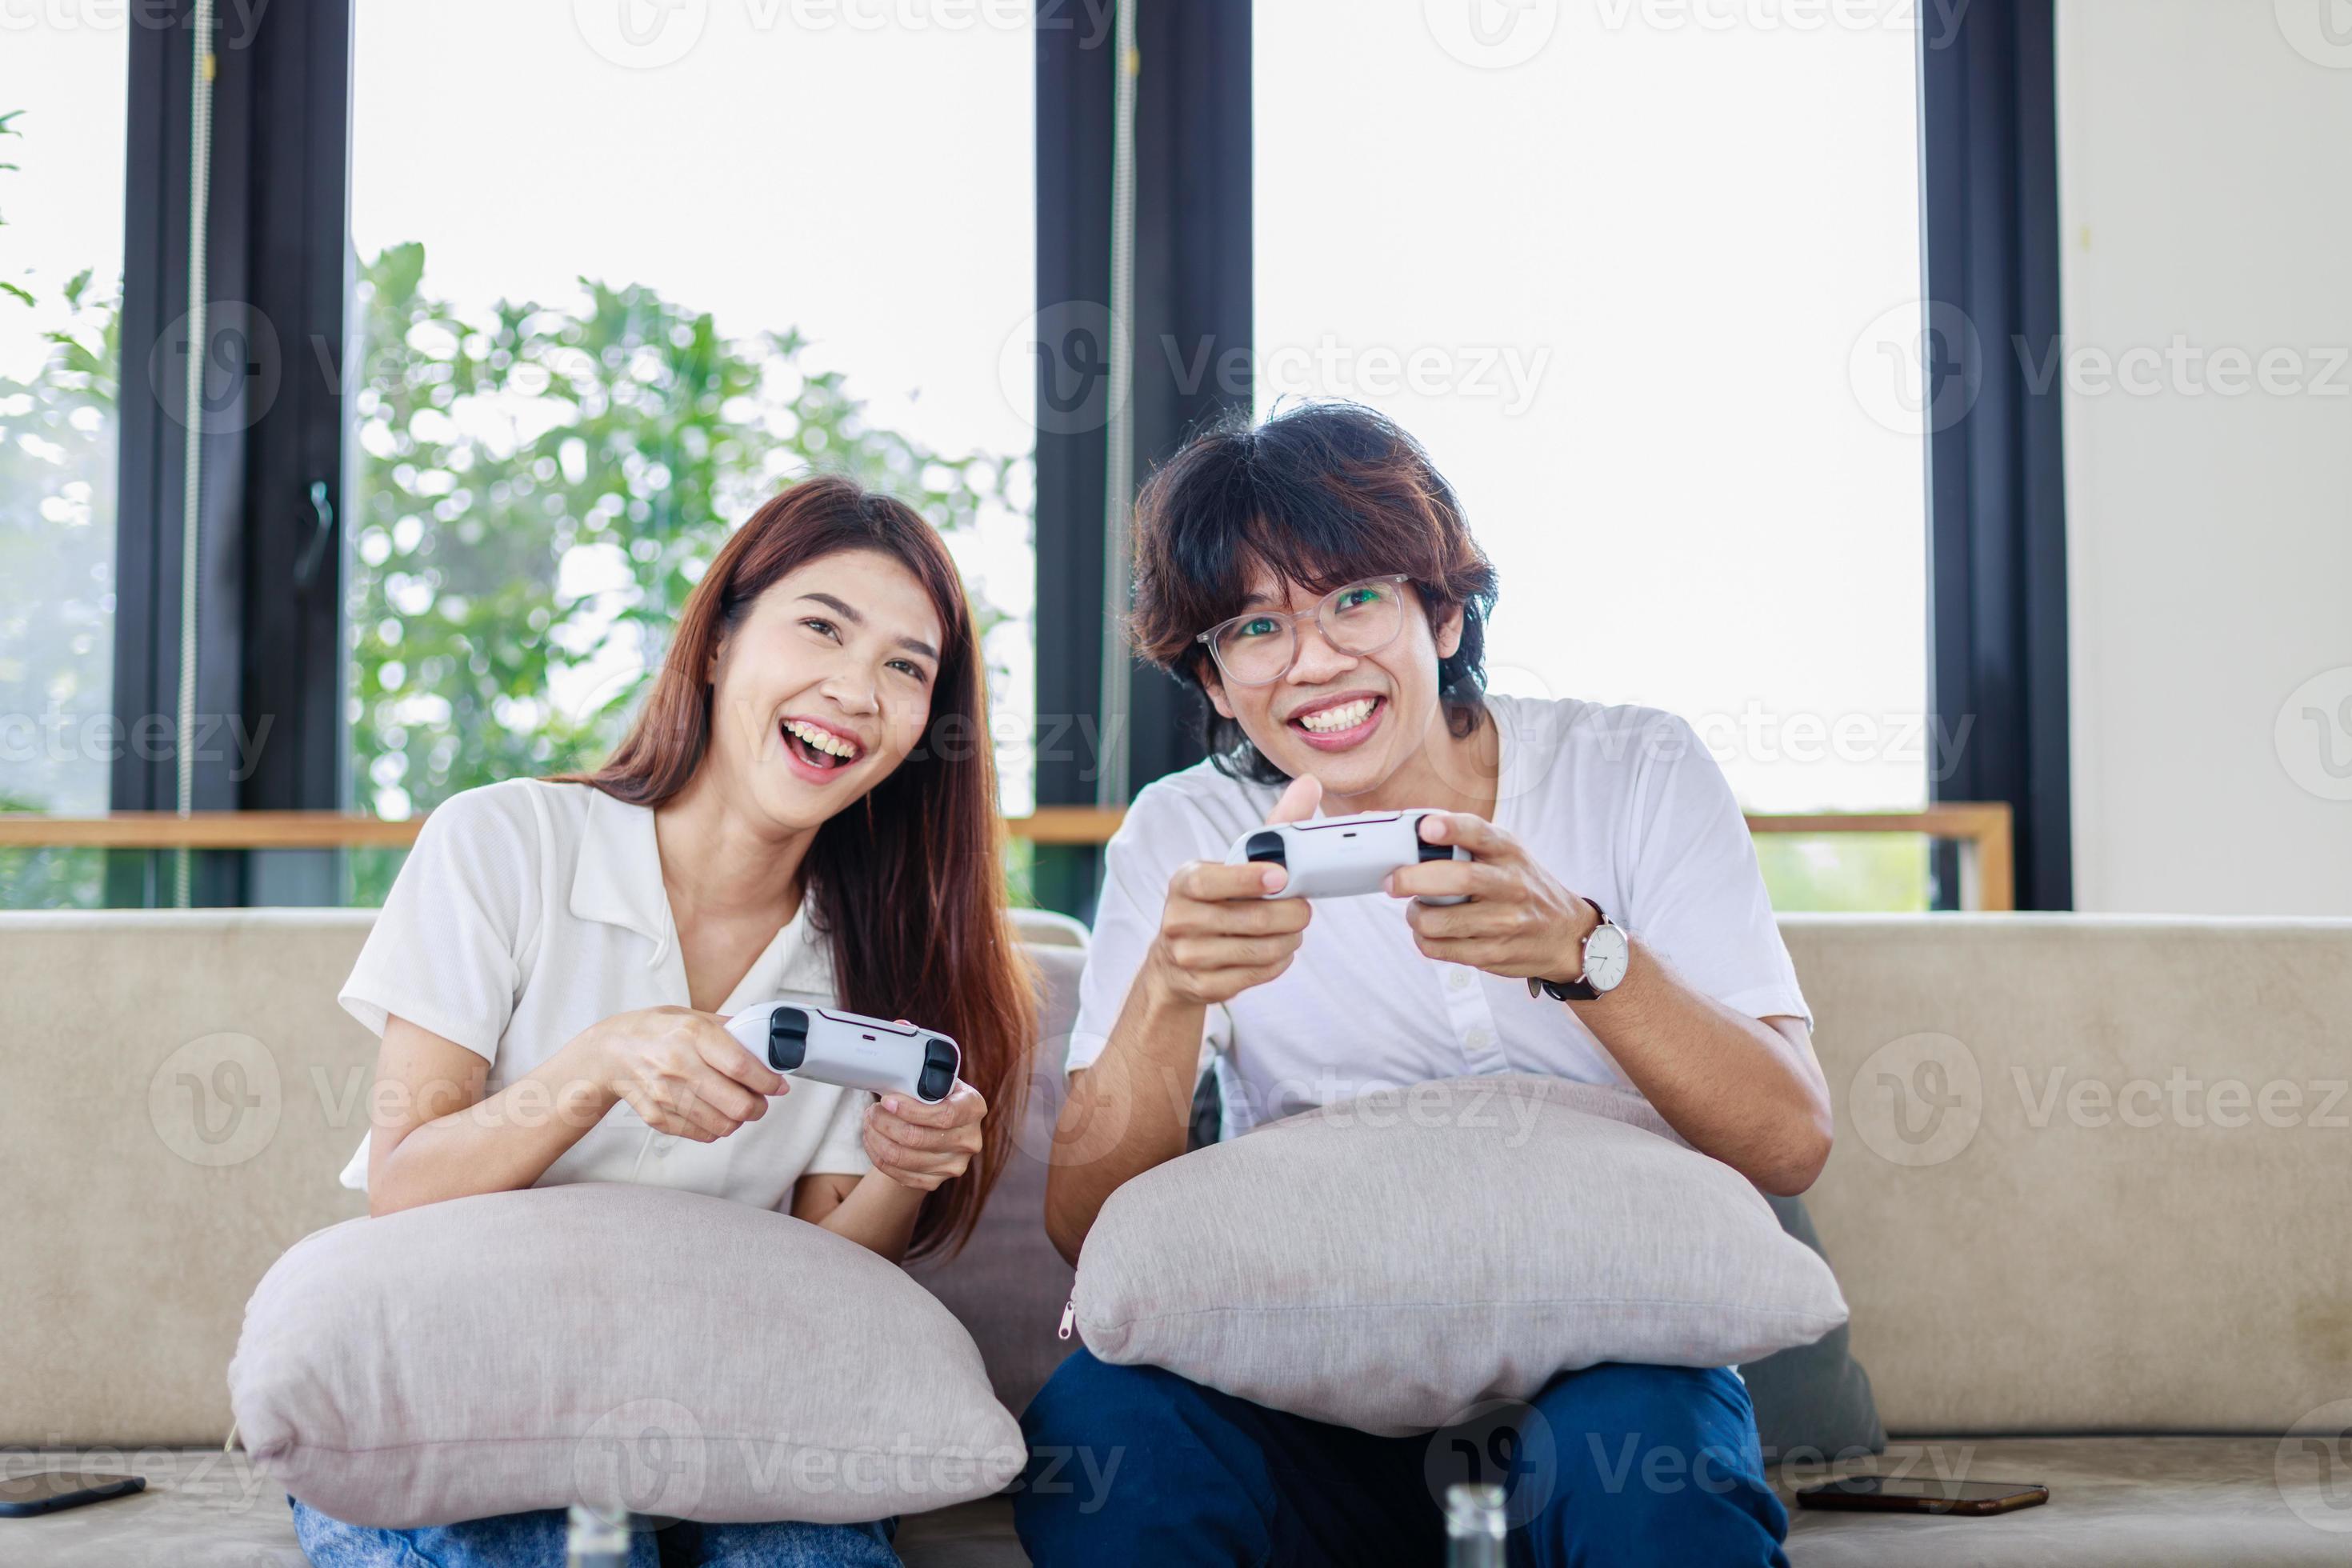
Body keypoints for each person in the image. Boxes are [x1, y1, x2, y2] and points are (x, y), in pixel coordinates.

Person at [1018, 403, 1831, 1568]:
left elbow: (1790, 1140)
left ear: (1443, 613)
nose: (1314, 662)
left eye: (1354, 599)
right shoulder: (1185, 832)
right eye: (1255, 627)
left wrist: (1583, 951)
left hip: (1601, 1391)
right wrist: (1169, 996)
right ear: (1211, 678)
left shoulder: (1634, 769)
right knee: (1102, 1441)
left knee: (1655, 1494)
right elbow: (1084, 1230)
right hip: (1297, 1395)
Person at [294, 476, 1036, 1568]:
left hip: (737, 1400)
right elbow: (407, 1184)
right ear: (721, 642)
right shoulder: (506, 843)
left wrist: (906, 1167)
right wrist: (595, 1066)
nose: (857, 689)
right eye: (821, 628)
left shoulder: (879, 949)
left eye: (906, 667)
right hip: (482, 1394)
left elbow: (831, 1279)